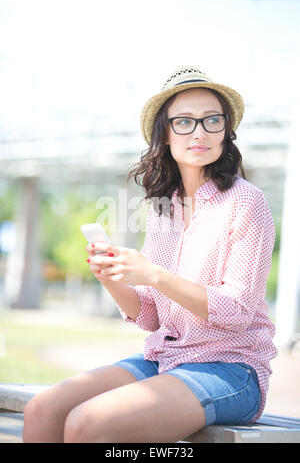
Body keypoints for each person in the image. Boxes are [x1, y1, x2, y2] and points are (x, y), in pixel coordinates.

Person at [23, 66, 277, 443]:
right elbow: (153, 316)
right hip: (166, 360)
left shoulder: (246, 201)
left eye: (212, 120)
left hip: (231, 369)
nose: (200, 132)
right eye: (185, 122)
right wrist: (113, 279)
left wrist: (155, 274)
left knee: (88, 423)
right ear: (165, 133)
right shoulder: (164, 207)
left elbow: (237, 313)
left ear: (226, 130)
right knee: (43, 409)